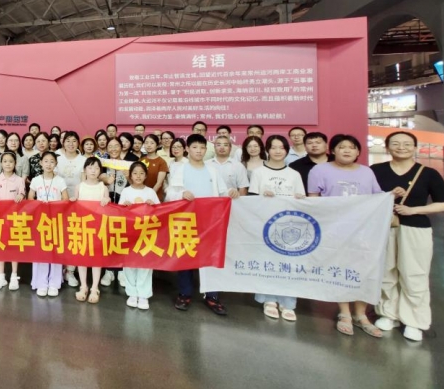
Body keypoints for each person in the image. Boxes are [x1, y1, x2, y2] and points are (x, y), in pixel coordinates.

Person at [372, 131, 444, 342]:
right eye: (395, 143)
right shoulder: (376, 170)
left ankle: (414, 320)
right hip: (384, 227)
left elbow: (443, 204)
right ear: (387, 147)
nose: (401, 147)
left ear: (415, 147)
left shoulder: (428, 173)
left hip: (416, 228)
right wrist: (389, 196)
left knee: (414, 273)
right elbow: (367, 197)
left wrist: (414, 210)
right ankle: (388, 313)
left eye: (407, 144)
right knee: (386, 271)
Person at [307, 134, 385, 338]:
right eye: (342, 147)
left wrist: (391, 196)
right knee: (340, 269)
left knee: (364, 269)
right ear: (332, 150)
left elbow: (378, 198)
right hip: (335, 230)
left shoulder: (367, 172)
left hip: (364, 230)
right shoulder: (319, 170)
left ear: (358, 151)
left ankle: (361, 315)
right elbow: (314, 201)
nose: (347, 150)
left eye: (352, 147)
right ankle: (344, 313)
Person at [168, 134, 239, 315]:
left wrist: (231, 192)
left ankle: (212, 296)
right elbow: (170, 194)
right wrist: (181, 194)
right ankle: (185, 294)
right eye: (194, 147)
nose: (198, 151)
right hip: (187, 221)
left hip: (210, 222)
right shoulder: (181, 169)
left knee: (210, 257)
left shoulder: (212, 170)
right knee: (186, 257)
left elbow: (222, 193)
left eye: (202, 148)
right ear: (187, 149)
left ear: (206, 150)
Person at [249, 135, 306, 322]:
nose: (277, 151)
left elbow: (302, 203)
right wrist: (263, 198)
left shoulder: (294, 174)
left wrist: (299, 199)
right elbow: (252, 203)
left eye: (281, 147)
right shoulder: (258, 173)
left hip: (289, 227)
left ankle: (287, 301)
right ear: (267, 150)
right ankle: (269, 299)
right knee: (267, 262)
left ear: (287, 150)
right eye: (273, 147)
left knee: (289, 264)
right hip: (265, 225)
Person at [28, 151, 69, 297]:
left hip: (56, 220)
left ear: (56, 164)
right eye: (46, 161)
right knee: (41, 251)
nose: (49, 164)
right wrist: (39, 204)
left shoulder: (60, 181)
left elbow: (66, 199)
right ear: (40, 163)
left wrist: (54, 206)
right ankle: (41, 283)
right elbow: (30, 197)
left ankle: (54, 283)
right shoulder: (36, 180)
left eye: (52, 161)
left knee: (55, 251)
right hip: (40, 221)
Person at [120, 161, 160, 310]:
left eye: (141, 173)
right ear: (130, 175)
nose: (138, 176)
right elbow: (118, 212)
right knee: (129, 264)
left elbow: (160, 212)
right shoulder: (126, 191)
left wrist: (153, 205)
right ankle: (132, 293)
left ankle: (143, 295)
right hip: (130, 233)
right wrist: (124, 206)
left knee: (145, 264)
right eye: (135, 173)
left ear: (146, 175)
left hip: (146, 234)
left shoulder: (151, 192)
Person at [72, 157, 109, 303]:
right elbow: (74, 204)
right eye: (90, 167)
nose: (93, 171)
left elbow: (108, 207)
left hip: (98, 227)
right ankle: (83, 286)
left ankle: (94, 287)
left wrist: (107, 200)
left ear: (100, 171)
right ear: (85, 170)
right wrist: (73, 200)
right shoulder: (79, 187)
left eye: (96, 168)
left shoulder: (103, 188)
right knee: (82, 257)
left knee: (96, 258)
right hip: (82, 227)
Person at [0, 151, 26, 292]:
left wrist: (21, 195)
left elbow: (22, 194)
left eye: (11, 161)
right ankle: (1, 276)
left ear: (15, 163)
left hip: (14, 219)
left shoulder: (19, 180)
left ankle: (14, 276)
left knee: (13, 246)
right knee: (0, 245)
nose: (8, 164)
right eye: (5, 161)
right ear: (1, 163)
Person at [56, 131, 86, 288]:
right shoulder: (57, 158)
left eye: (74, 141)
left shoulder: (83, 160)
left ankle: (70, 271)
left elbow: (84, 182)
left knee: (74, 236)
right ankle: (58, 269)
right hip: (59, 203)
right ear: (63, 142)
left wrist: (79, 199)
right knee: (60, 236)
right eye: (68, 141)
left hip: (77, 203)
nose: (71, 144)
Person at [139, 133, 169, 198]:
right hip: (140, 195)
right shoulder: (141, 160)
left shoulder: (161, 162)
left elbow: (159, 183)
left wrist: (150, 195)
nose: (149, 145)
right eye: (146, 143)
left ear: (157, 145)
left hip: (155, 196)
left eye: (152, 143)